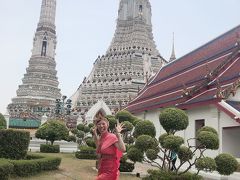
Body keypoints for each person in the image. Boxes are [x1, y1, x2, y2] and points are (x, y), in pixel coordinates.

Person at [93, 112, 126, 180]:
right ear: (97, 126)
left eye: (103, 124)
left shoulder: (112, 137)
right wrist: (95, 134)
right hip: (102, 167)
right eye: (99, 124)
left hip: (111, 169)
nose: (101, 126)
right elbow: (98, 151)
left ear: (107, 125)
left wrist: (118, 134)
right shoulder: (101, 138)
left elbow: (123, 149)